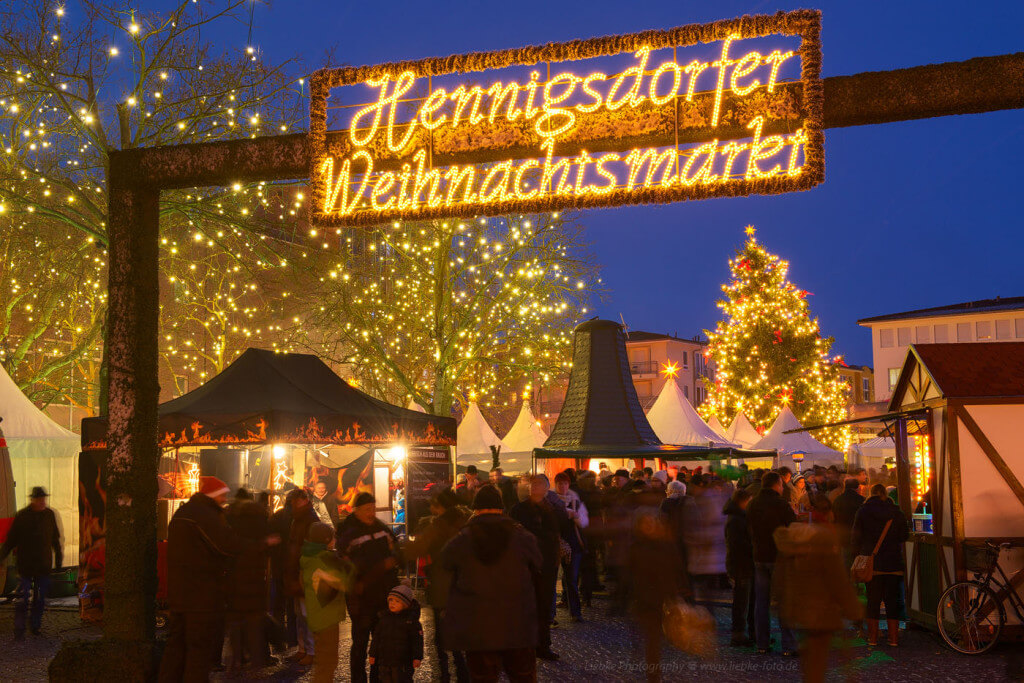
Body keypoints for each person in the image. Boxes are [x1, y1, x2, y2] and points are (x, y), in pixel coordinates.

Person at [158, 477, 277, 682]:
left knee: (177, 646)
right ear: (213, 494)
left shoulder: (184, 513)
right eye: (222, 494)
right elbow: (226, 545)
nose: (224, 499)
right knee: (198, 648)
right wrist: (260, 544)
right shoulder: (204, 515)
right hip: (200, 594)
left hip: (181, 593)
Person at [442, 484, 542, 682]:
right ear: (501, 507)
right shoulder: (521, 536)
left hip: (479, 630)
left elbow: (445, 561)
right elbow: (539, 564)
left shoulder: (463, 539)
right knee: (523, 677)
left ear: (476, 509)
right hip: (518, 626)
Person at [774, 518, 862, 682]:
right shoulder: (825, 542)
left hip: (800, 609)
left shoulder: (791, 542)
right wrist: (852, 608)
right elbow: (837, 580)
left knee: (811, 656)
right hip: (823, 610)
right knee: (822, 659)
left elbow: (780, 578)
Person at [403, 489, 471, 683]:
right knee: (460, 631)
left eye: (434, 505)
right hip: (465, 586)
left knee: (441, 635)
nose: (431, 508)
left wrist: (405, 546)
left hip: (442, 585)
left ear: (441, 507)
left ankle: (444, 674)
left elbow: (416, 548)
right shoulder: (467, 521)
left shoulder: (437, 526)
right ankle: (464, 673)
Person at [336, 492, 400, 683]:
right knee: (360, 643)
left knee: (380, 641)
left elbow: (394, 549)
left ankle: (377, 678)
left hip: (383, 594)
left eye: (373, 508)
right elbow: (346, 565)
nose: (371, 513)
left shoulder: (381, 528)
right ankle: (358, 679)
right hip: (361, 597)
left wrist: (395, 559)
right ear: (356, 510)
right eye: (366, 509)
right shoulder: (348, 532)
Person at [510, 474, 565, 661]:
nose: (535, 487)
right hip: (525, 564)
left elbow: (560, 530)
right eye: (533, 484)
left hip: (547, 564)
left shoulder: (553, 509)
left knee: (543, 606)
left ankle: (543, 645)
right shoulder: (519, 509)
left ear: (547, 488)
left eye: (539, 484)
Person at [629, 511, 686, 682]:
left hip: (665, 597)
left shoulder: (667, 546)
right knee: (653, 641)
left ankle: (654, 671)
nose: (649, 527)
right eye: (645, 524)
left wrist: (681, 592)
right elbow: (629, 575)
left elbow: (677, 569)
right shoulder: (636, 547)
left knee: (665, 638)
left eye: (651, 523)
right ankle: (653, 675)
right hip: (646, 600)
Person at [0, 486, 62, 639]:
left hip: (42, 565)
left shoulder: (49, 515)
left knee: (39, 599)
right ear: (33, 500)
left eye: (44, 499)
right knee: (23, 598)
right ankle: (20, 628)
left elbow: (55, 539)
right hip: (26, 565)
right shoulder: (22, 517)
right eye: (40, 499)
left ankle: (35, 626)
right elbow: (11, 540)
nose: (43, 502)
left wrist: (59, 558)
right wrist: (1, 556)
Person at [852, 484, 909, 647]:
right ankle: (893, 639)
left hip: (872, 562)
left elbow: (855, 537)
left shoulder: (863, 511)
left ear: (871, 494)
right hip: (893, 563)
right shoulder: (896, 512)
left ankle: (873, 638)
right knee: (893, 601)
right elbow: (904, 535)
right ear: (885, 494)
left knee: (873, 600)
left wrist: (857, 556)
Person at [747, 471, 797, 655]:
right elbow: (793, 526)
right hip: (779, 557)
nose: (783, 487)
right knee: (785, 601)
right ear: (776, 485)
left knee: (761, 602)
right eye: (781, 485)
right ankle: (789, 646)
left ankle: (762, 643)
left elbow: (748, 528)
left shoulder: (753, 504)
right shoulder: (780, 504)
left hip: (759, 555)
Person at [225, 488, 271, 675]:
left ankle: (236, 659)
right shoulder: (260, 518)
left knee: (236, 620)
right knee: (254, 620)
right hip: (256, 577)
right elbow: (267, 545)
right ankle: (257, 661)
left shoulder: (230, 518)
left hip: (234, 577)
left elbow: (226, 546)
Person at [301, 522, 354, 683]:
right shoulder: (322, 560)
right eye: (332, 537)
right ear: (326, 540)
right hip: (326, 619)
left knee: (325, 662)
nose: (335, 540)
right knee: (327, 663)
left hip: (319, 616)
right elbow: (342, 583)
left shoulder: (310, 557)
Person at [285, 488, 320, 666]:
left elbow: (313, 548)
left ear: (303, 500)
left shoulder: (310, 520)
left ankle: (311, 651)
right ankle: (303, 649)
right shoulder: (298, 519)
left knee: (306, 613)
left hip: (305, 571)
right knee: (299, 613)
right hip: (296, 569)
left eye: (294, 501)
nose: (291, 504)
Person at [369, 584, 424, 683]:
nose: (392, 603)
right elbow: (376, 638)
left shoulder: (411, 622)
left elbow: (417, 641)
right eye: (391, 600)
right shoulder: (384, 618)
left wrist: (417, 657)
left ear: (405, 604)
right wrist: (372, 654)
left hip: (403, 663)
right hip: (384, 662)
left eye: (397, 601)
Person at [553, 471, 588, 622]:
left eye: (565, 483)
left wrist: (576, 516)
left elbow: (584, 523)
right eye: (560, 483)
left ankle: (575, 612)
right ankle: (550, 615)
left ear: (568, 485)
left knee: (572, 579)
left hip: (573, 544)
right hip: (554, 544)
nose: (562, 486)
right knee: (552, 580)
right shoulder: (550, 501)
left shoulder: (575, 501)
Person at [723, 488, 755, 646]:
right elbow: (738, 544)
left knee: (743, 599)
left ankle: (742, 632)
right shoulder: (737, 519)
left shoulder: (736, 516)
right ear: (743, 500)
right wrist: (752, 547)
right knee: (741, 599)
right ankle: (738, 634)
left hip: (739, 563)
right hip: (740, 564)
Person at [832, 478, 866, 567]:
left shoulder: (838, 500)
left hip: (843, 535)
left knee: (846, 562)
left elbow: (834, 518)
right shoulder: (862, 500)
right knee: (859, 563)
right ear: (857, 488)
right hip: (859, 535)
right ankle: (858, 579)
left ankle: (848, 579)